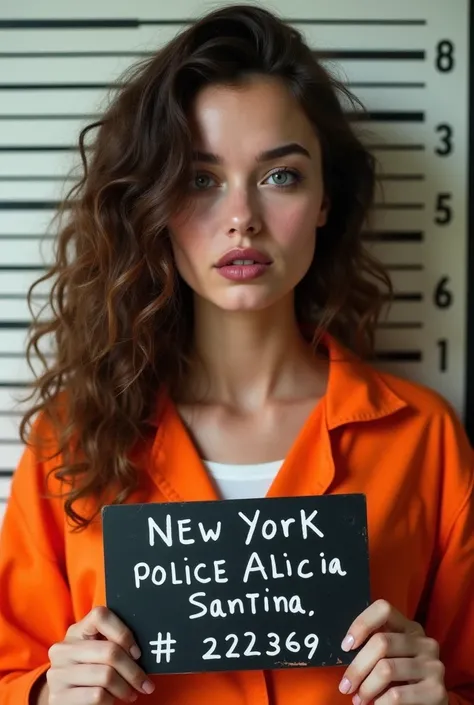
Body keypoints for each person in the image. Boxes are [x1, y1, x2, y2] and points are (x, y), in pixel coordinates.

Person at [0, 4, 472, 705]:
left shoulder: (423, 437)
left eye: (280, 175)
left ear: (324, 201)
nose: (242, 216)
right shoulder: (69, 440)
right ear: (154, 202)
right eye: (200, 178)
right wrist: (45, 696)